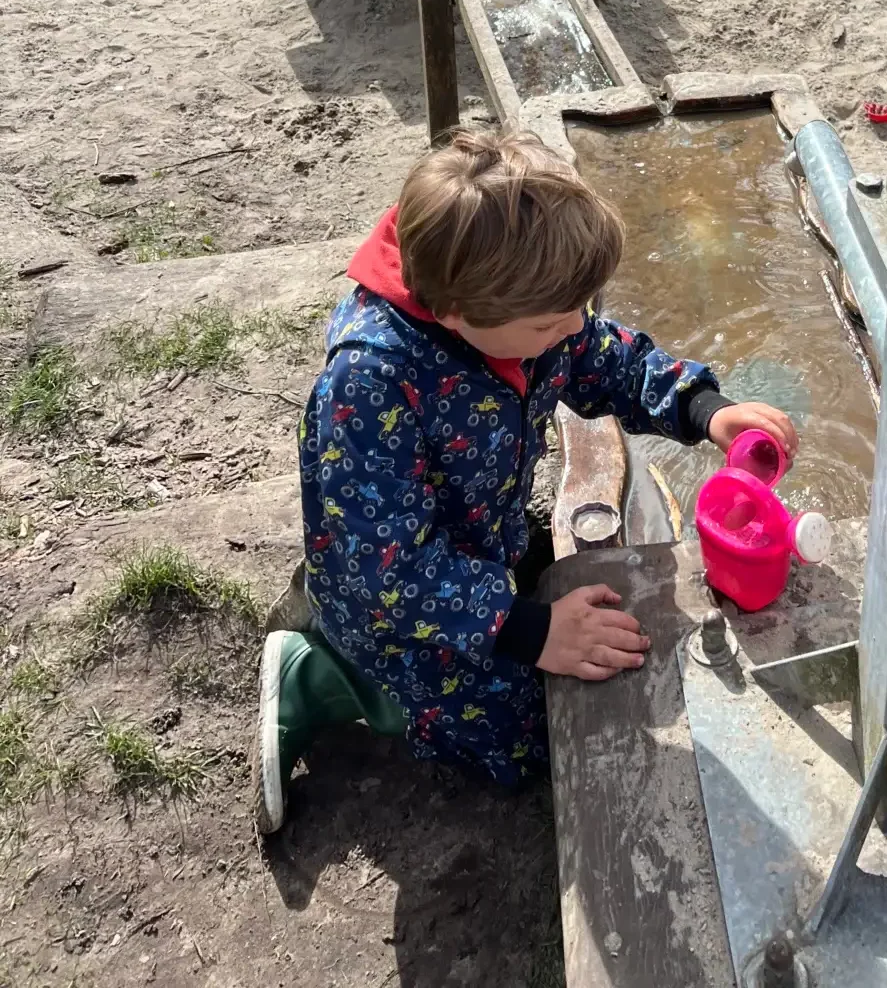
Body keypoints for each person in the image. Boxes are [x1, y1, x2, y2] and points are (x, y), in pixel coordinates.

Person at [253, 128, 796, 833]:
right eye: (550, 323)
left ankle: (376, 641)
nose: (572, 331)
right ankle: (323, 673)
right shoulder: (370, 384)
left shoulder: (518, 311)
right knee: (532, 736)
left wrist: (705, 410)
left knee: (580, 691)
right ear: (455, 313)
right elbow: (391, 571)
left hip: (477, 543)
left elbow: (609, 360)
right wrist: (528, 630)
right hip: (394, 602)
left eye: (578, 310)